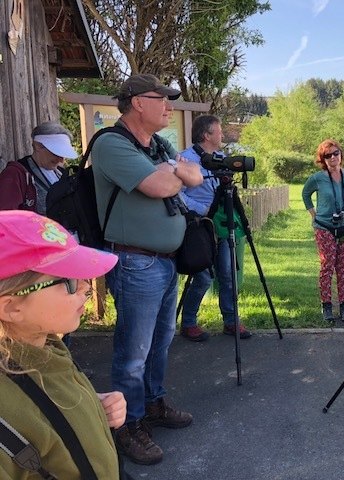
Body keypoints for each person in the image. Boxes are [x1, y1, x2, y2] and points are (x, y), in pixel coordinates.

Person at [91, 74, 203, 465]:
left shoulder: (157, 143)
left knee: (159, 342)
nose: (169, 106)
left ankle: (153, 404)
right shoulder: (110, 144)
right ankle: (128, 425)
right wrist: (172, 173)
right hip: (135, 262)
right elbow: (161, 186)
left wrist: (172, 172)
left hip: (165, 262)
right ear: (138, 102)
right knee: (133, 352)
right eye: (163, 99)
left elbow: (195, 175)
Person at [0, 210, 126, 479]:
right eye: (68, 281)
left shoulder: (46, 347)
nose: (85, 287)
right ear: (11, 308)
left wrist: (90, 407)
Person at [179, 115, 253, 340]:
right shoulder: (185, 160)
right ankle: (189, 322)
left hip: (221, 224)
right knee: (202, 277)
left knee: (228, 274)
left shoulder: (221, 158)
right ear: (205, 135)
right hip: (198, 226)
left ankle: (231, 321)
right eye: (218, 131)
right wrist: (201, 209)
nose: (222, 135)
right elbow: (176, 193)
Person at [302, 139, 344, 323]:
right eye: (328, 155)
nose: (333, 157)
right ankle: (326, 306)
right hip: (324, 227)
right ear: (322, 159)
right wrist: (313, 213)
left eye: (336, 153)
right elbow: (305, 194)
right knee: (327, 266)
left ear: (341, 155)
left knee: (342, 267)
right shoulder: (318, 178)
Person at [0, 121, 78, 213]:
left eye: (63, 154)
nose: (61, 160)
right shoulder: (15, 175)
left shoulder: (62, 174)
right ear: (38, 146)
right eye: (56, 153)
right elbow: (6, 217)